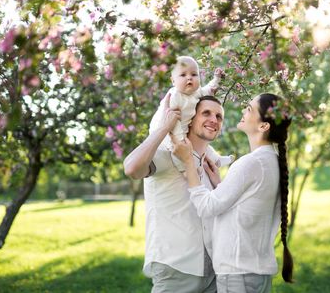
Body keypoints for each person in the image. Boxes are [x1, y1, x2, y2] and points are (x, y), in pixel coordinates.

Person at [171, 93, 294, 293]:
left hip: (238, 275)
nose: (244, 111)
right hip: (255, 273)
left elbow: (206, 207)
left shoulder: (251, 163)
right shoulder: (271, 160)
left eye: (250, 109)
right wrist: (221, 184)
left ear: (264, 126)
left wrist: (188, 162)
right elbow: (248, 206)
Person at [124, 94, 226, 293]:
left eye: (219, 116)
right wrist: (164, 127)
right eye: (206, 113)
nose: (214, 120)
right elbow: (132, 168)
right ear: (190, 118)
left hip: (212, 272)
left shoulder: (209, 164)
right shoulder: (168, 154)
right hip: (176, 270)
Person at [149, 55, 234, 169]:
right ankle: (184, 170)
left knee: (202, 146)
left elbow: (208, 90)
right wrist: (180, 139)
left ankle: (216, 160)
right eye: (183, 75)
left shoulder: (196, 92)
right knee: (180, 152)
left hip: (184, 129)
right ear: (173, 81)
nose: (189, 78)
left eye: (194, 74)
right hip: (168, 133)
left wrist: (216, 79)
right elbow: (171, 119)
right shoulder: (175, 96)